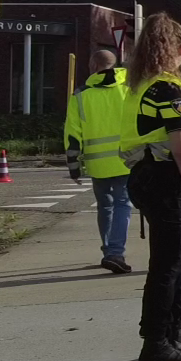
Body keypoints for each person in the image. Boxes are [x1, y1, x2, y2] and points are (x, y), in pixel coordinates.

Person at [118, 13, 181, 361]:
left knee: (177, 261)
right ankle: (158, 341)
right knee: (171, 265)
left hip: (146, 176)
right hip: (167, 179)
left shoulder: (140, 86)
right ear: (180, 49)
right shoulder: (169, 90)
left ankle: (172, 334)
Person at [64, 45, 134, 273]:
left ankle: (108, 249)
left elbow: (72, 134)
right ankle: (116, 252)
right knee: (123, 204)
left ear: (93, 67)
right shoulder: (129, 89)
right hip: (127, 160)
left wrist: (74, 167)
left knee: (105, 206)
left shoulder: (81, 95)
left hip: (97, 163)